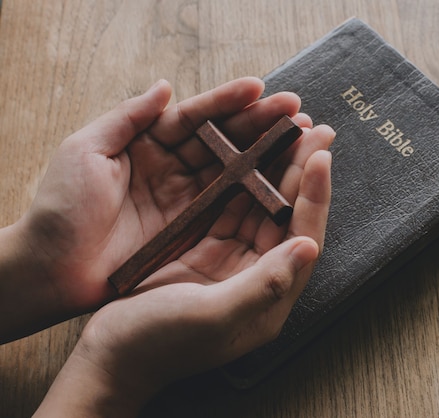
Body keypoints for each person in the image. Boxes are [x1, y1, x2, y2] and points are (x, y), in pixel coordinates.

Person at [0, 77, 334, 417]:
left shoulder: (226, 153)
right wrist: (116, 375)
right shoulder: (232, 164)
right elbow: (116, 372)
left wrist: (36, 260)